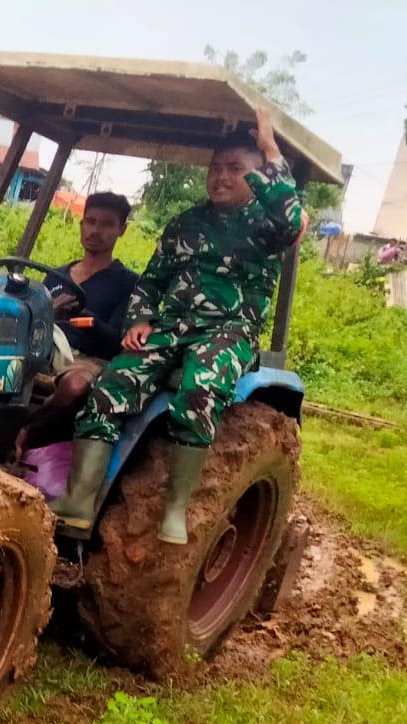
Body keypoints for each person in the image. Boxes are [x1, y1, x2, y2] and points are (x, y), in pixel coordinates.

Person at [49, 106, 308, 545]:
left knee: (200, 387)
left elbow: (290, 217)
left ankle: (174, 511)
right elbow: (151, 281)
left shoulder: (267, 224)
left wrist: (268, 146)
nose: (221, 177)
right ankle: (77, 503)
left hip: (229, 330)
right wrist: (140, 319)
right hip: (173, 327)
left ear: (256, 174)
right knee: (113, 382)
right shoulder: (186, 223)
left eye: (234, 169)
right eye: (216, 168)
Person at [12, 192, 139, 460]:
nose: (96, 230)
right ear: (81, 225)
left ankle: (25, 433)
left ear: (121, 230)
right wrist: (50, 311)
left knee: (75, 386)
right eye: (90, 221)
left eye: (106, 224)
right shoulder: (57, 276)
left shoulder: (127, 283)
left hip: (88, 360)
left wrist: (89, 320)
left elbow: (118, 341)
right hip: (44, 348)